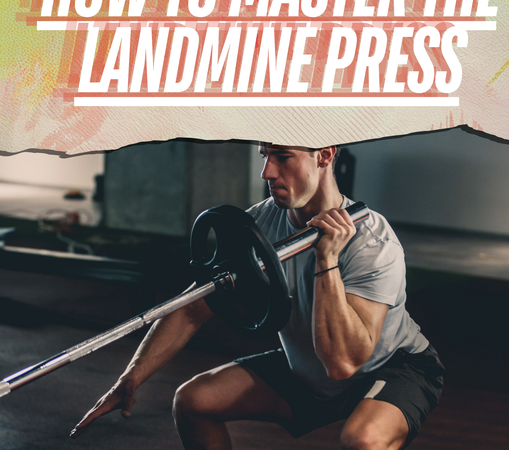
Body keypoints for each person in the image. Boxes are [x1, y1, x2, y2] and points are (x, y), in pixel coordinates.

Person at [70, 144, 443, 449]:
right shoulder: (260, 223)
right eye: (264, 155)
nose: (267, 172)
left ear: (325, 155)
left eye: (283, 157)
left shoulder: (372, 241)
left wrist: (326, 258)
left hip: (391, 367)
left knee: (364, 439)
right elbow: (192, 309)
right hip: (308, 367)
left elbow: (344, 364)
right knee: (194, 401)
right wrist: (131, 378)